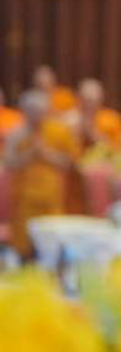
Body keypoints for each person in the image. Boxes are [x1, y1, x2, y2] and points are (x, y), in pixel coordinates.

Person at [4, 91, 80, 260]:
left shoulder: (57, 132)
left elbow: (68, 163)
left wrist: (46, 154)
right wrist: (30, 154)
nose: (36, 116)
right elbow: (9, 163)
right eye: (32, 111)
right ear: (24, 112)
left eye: (40, 112)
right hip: (24, 198)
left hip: (50, 197)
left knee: (50, 243)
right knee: (24, 247)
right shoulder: (16, 135)